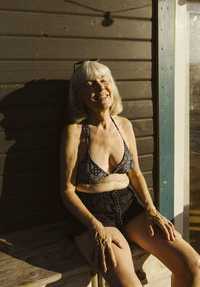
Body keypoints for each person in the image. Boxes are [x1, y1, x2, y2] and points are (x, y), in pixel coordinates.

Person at [60, 60, 200, 287]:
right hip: (94, 212)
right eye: (90, 84)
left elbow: (135, 174)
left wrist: (151, 209)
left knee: (192, 264)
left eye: (104, 81)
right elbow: (67, 190)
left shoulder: (124, 125)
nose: (100, 88)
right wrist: (96, 227)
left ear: (112, 86)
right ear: (80, 95)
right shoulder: (75, 133)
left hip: (129, 206)